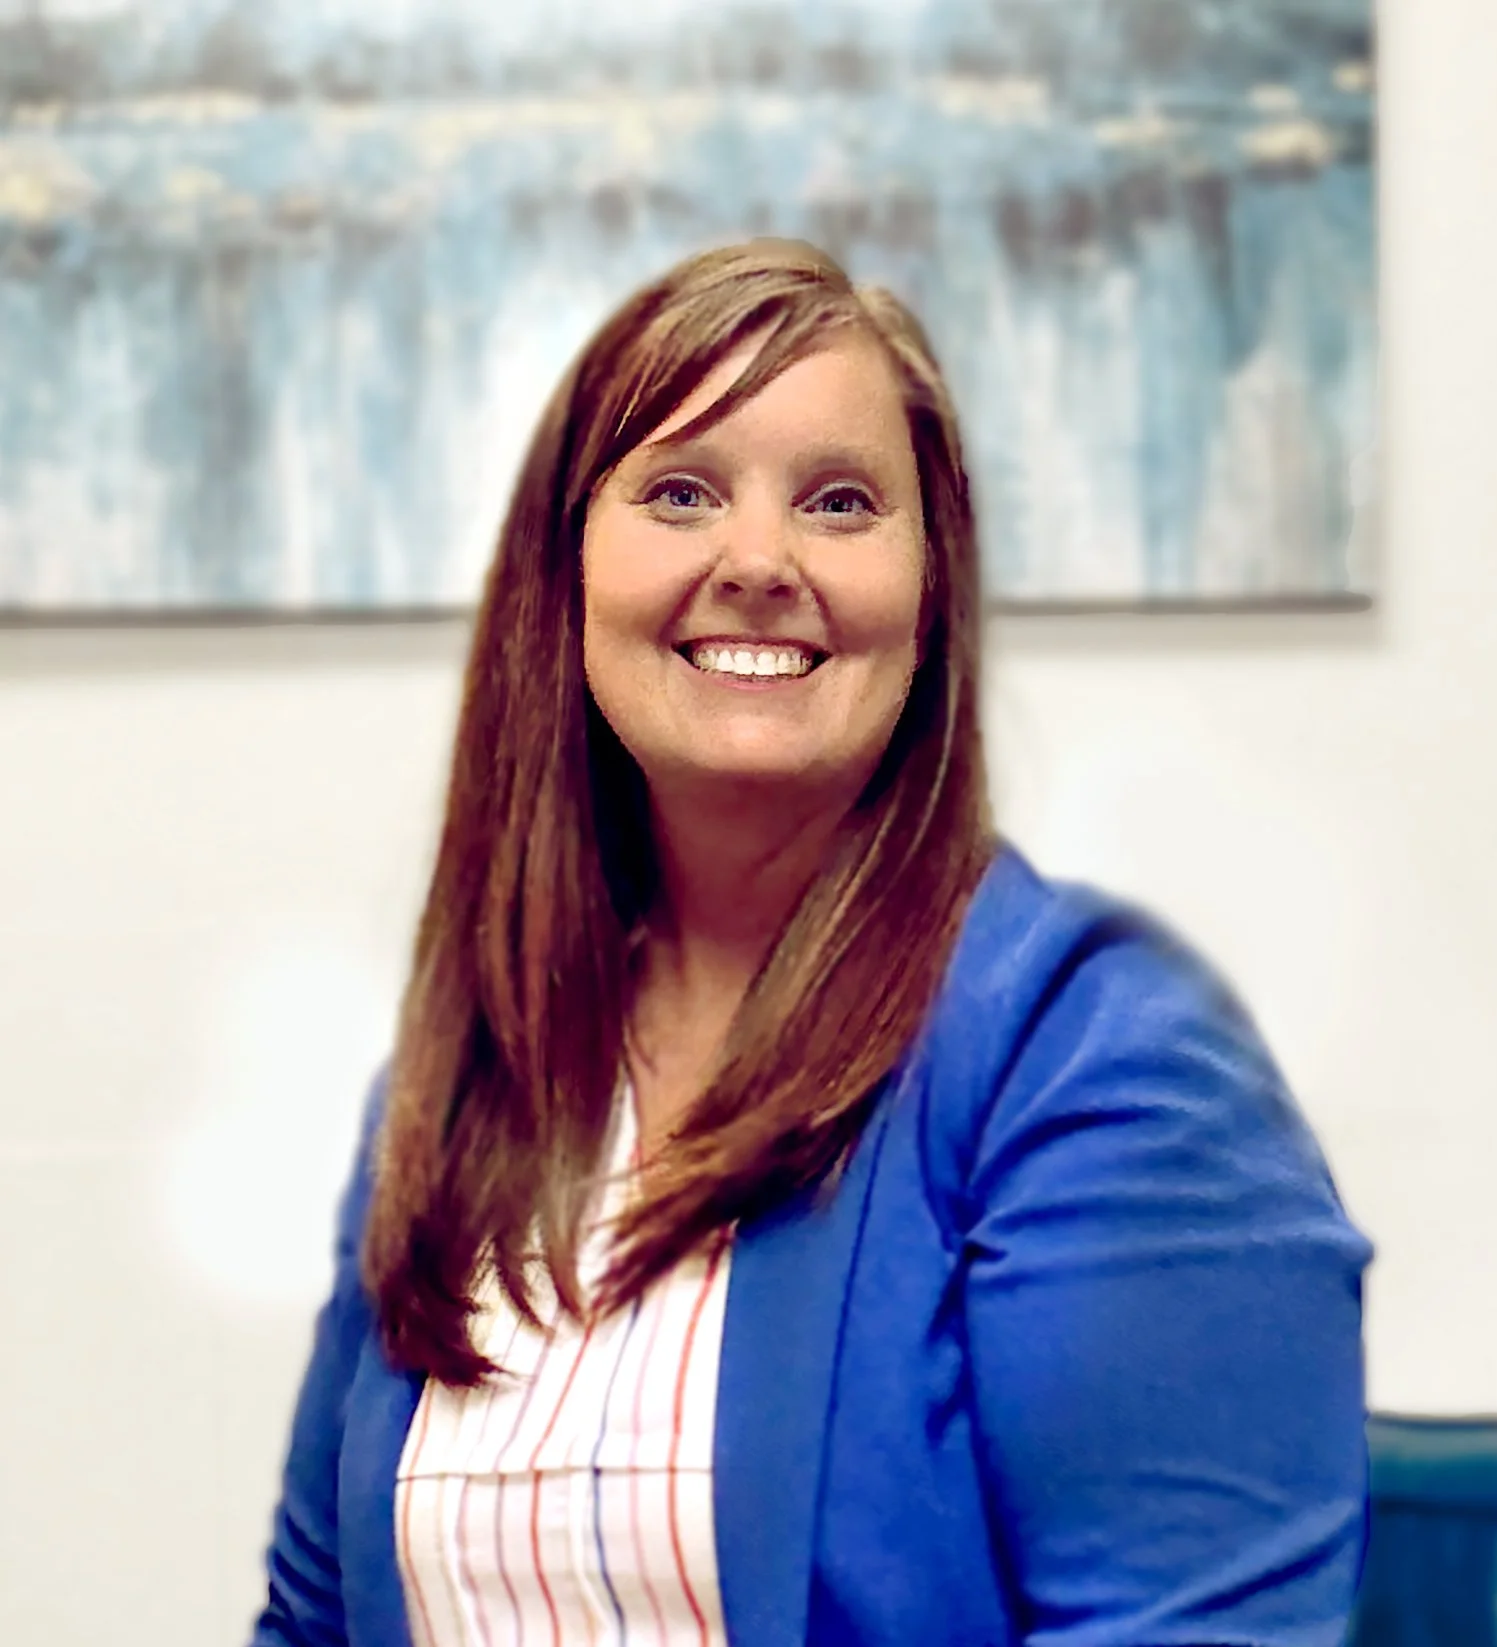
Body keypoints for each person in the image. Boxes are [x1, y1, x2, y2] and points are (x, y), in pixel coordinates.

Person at [252, 240, 1371, 1647]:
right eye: (679, 491)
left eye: (840, 502)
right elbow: (316, 1621)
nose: (760, 561)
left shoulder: (1101, 1054)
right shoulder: (469, 1066)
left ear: (927, 590)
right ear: (568, 571)